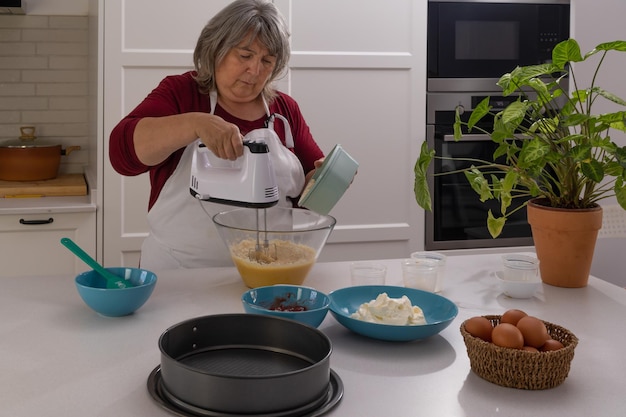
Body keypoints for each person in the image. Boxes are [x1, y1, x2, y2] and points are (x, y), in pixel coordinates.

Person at [109, 0, 325, 270]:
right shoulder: (181, 93)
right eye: (245, 56)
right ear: (216, 48)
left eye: (267, 61)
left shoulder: (284, 110)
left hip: (266, 275)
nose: (255, 70)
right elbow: (121, 154)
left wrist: (325, 180)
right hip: (178, 275)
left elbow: (306, 199)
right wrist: (195, 124)